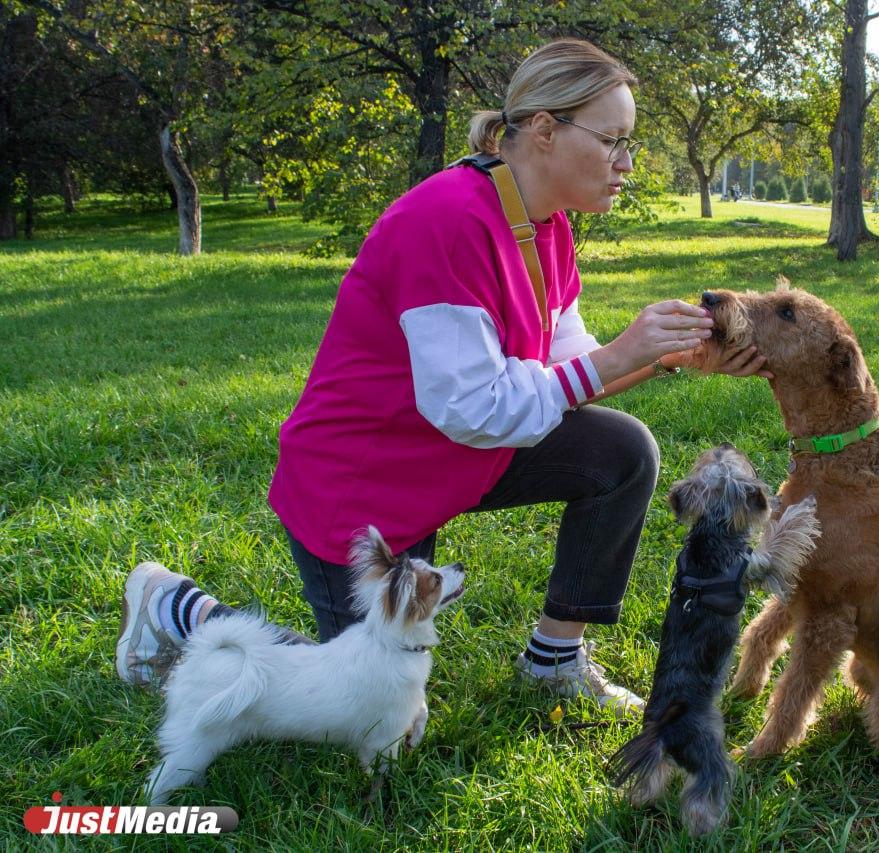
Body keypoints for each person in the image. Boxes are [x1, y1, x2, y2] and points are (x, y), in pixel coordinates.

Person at [116, 39, 769, 716]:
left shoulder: (548, 227)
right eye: (613, 141)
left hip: (450, 461)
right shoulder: (449, 219)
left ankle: (554, 660)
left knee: (623, 453)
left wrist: (658, 355)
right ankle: (176, 607)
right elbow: (471, 407)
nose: (627, 163)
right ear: (545, 130)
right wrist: (620, 354)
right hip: (363, 486)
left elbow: (562, 372)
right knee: (359, 702)